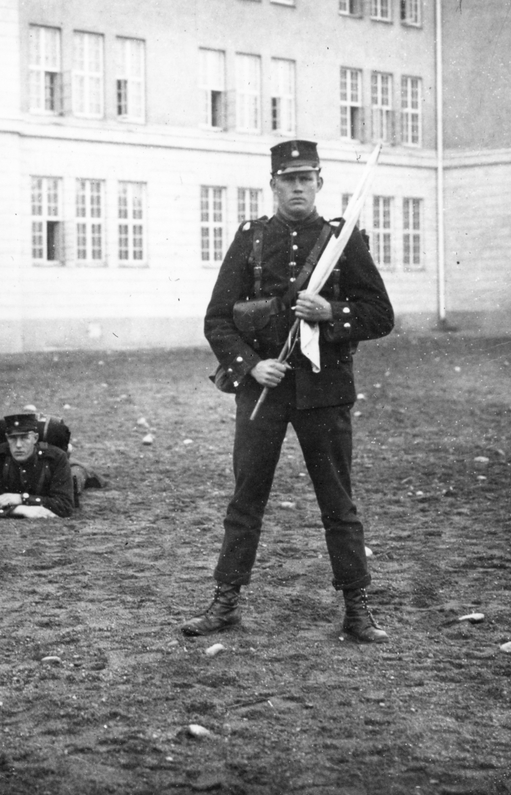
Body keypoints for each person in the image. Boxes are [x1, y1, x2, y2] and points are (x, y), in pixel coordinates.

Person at [184, 139, 395, 644]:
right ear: (273, 185)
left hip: (325, 391)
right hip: (266, 392)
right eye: (288, 180)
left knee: (338, 502)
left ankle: (357, 609)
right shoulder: (251, 238)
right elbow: (217, 319)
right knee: (246, 499)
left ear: (319, 183)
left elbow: (381, 315)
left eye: (305, 179)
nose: (297, 188)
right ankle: (225, 602)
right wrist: (252, 367)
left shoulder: (342, 240)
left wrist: (331, 313)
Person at [0, 413, 75, 519]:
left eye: (24, 438)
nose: (18, 445)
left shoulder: (56, 457)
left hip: (68, 473)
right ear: (7, 438)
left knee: (78, 473)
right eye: (13, 438)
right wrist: (19, 510)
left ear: (35, 438)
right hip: (34, 501)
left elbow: (65, 506)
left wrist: (22, 498)